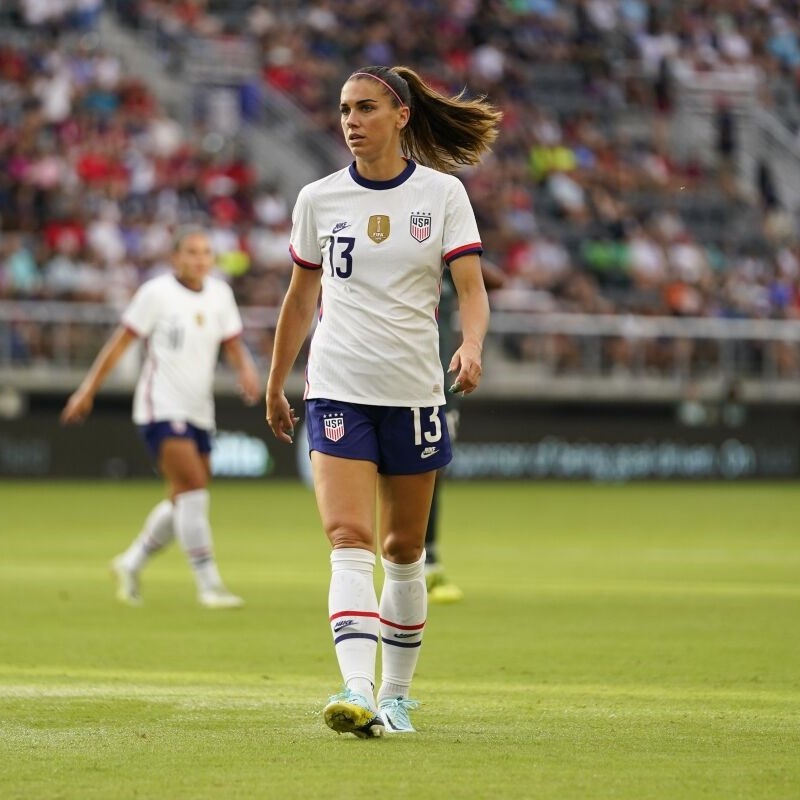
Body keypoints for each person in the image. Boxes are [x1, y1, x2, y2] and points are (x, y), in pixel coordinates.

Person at [265, 65, 501, 737]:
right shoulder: (318, 198)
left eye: (365, 108)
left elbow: (471, 290)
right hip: (337, 388)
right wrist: (276, 378)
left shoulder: (443, 194)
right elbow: (301, 296)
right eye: (344, 109)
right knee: (348, 538)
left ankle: (396, 695)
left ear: (399, 116)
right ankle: (358, 689)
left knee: (403, 550)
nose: (351, 120)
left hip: (415, 393)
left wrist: (473, 345)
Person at [61, 226, 260, 609]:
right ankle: (209, 585)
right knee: (194, 490)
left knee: (184, 497)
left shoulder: (220, 294)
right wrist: (87, 391)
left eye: (205, 252)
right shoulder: (156, 293)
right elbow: (120, 343)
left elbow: (233, 344)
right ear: (175, 257)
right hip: (160, 407)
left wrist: (247, 372)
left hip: (199, 409)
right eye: (191, 252)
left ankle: (130, 562)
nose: (200, 259)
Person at [425, 260, 506, 604]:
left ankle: (427, 557)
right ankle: (415, 561)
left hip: (444, 384)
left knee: (433, 471)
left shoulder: (451, 267)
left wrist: (454, 251)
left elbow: (495, 281)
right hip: (407, 381)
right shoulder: (410, 258)